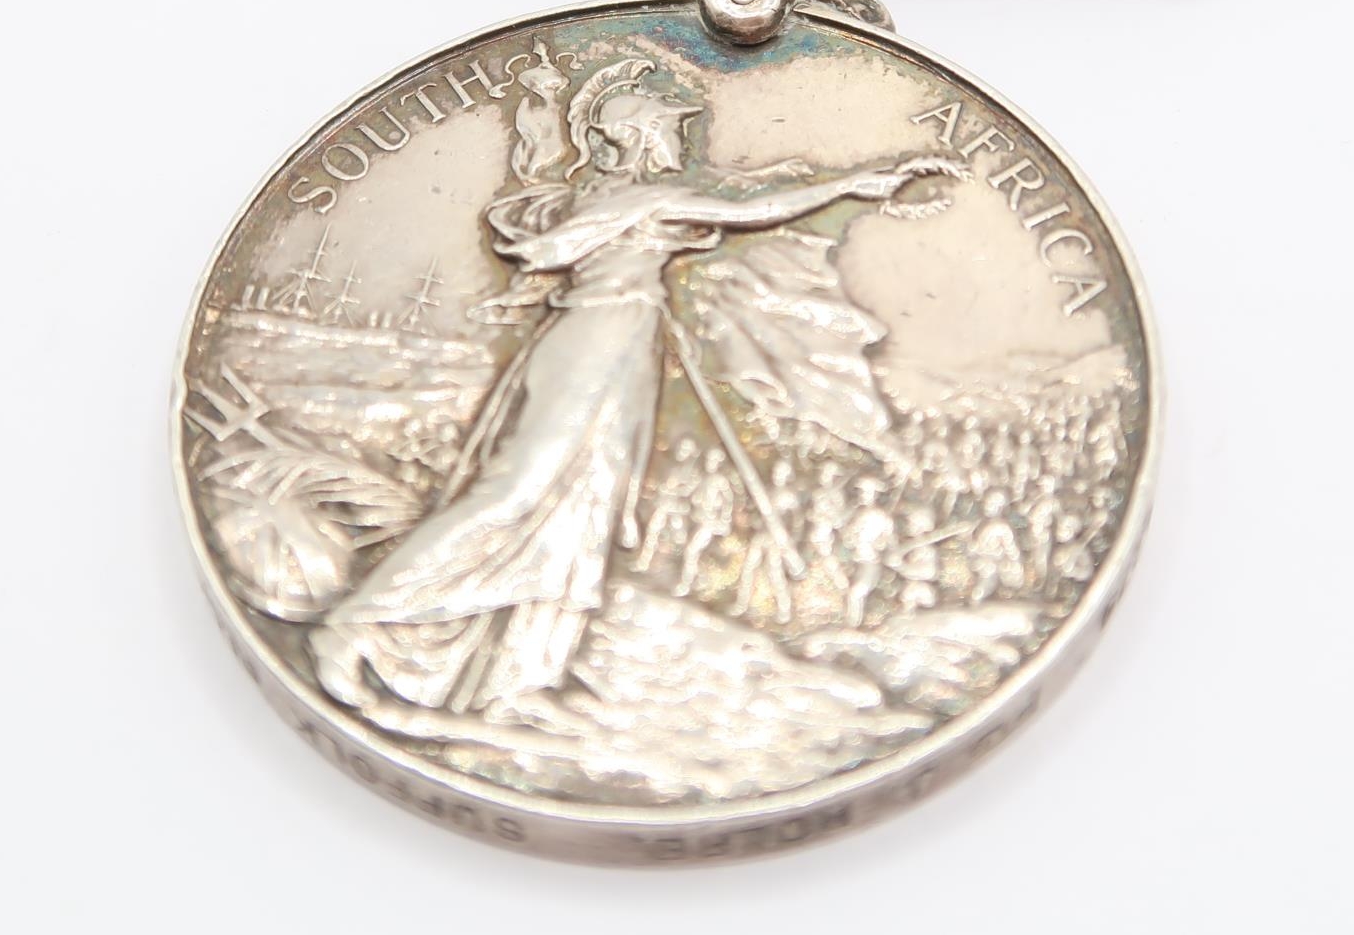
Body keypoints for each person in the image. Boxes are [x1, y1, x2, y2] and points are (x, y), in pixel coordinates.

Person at [308, 55, 958, 716]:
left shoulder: (623, 200)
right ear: (638, 135)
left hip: (624, 346)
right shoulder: (637, 200)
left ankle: (523, 680)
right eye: (669, 127)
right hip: (592, 341)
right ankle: (358, 622)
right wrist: (857, 183)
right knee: (520, 491)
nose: (680, 139)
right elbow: (758, 207)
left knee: (589, 504)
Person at [733, 458, 801, 624]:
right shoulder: (766, 491)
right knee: (748, 568)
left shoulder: (789, 496)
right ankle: (741, 604)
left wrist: (790, 539)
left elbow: (797, 521)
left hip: (776, 539)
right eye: (776, 471)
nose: (777, 475)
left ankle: (784, 609)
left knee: (775, 573)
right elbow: (756, 514)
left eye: (781, 472)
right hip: (762, 534)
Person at [631, 435, 699, 573]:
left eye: (685, 449)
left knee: (682, 538)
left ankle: (689, 569)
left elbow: (689, 491)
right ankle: (644, 562)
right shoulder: (673, 467)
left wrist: (672, 490)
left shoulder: (693, 472)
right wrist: (661, 489)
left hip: (677, 509)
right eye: (681, 447)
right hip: (664, 505)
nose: (681, 451)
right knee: (652, 531)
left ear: (691, 453)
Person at [677, 448, 736, 598]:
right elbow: (688, 493)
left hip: (709, 524)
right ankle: (702, 579)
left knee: (691, 551)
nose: (710, 463)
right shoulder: (702, 478)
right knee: (693, 552)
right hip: (698, 520)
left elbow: (728, 500)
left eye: (713, 461)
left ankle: (687, 584)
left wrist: (724, 519)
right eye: (708, 460)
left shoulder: (720, 481)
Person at [841, 477, 896, 624]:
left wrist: (880, 542)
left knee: (856, 592)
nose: (863, 495)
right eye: (862, 492)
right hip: (855, 560)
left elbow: (888, 540)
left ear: (875, 495)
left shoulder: (881, 517)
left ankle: (854, 624)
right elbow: (847, 536)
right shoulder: (855, 514)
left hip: (870, 561)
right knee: (850, 591)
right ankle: (852, 622)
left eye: (867, 492)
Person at [968, 489, 1026, 603]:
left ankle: (996, 591)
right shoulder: (981, 524)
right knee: (987, 570)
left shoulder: (1002, 528)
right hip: (983, 560)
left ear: (999, 508)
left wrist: (1015, 561)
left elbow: (1011, 549)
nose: (987, 506)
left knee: (995, 570)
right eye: (986, 503)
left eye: (991, 504)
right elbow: (978, 546)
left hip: (994, 562)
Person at [893, 506, 943, 611]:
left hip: (922, 590)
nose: (908, 526)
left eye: (912, 523)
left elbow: (929, 572)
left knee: (910, 594)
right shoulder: (911, 546)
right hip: (911, 587)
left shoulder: (927, 551)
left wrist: (900, 567)